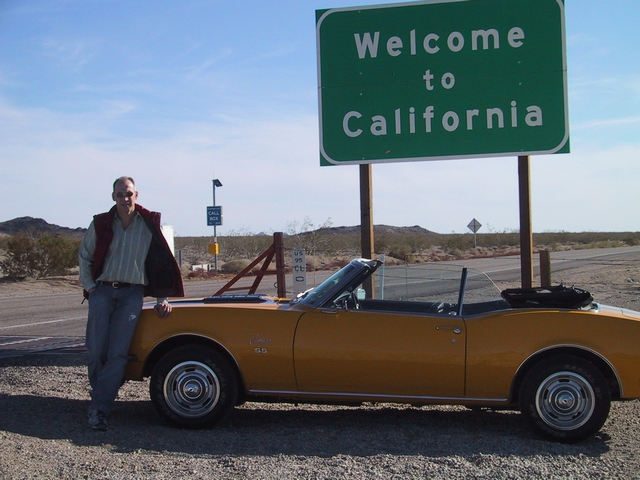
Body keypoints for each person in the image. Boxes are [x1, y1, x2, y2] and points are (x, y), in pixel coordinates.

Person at [78, 176, 184, 431]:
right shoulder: (101, 223)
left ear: (136, 195)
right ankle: (102, 393)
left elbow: (161, 263)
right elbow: (84, 257)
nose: (125, 199)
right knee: (96, 352)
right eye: (120, 195)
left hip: (131, 295)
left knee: (117, 354)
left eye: (129, 194)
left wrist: (162, 298)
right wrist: (91, 288)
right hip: (102, 292)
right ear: (113, 197)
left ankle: (99, 408)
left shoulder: (148, 224)